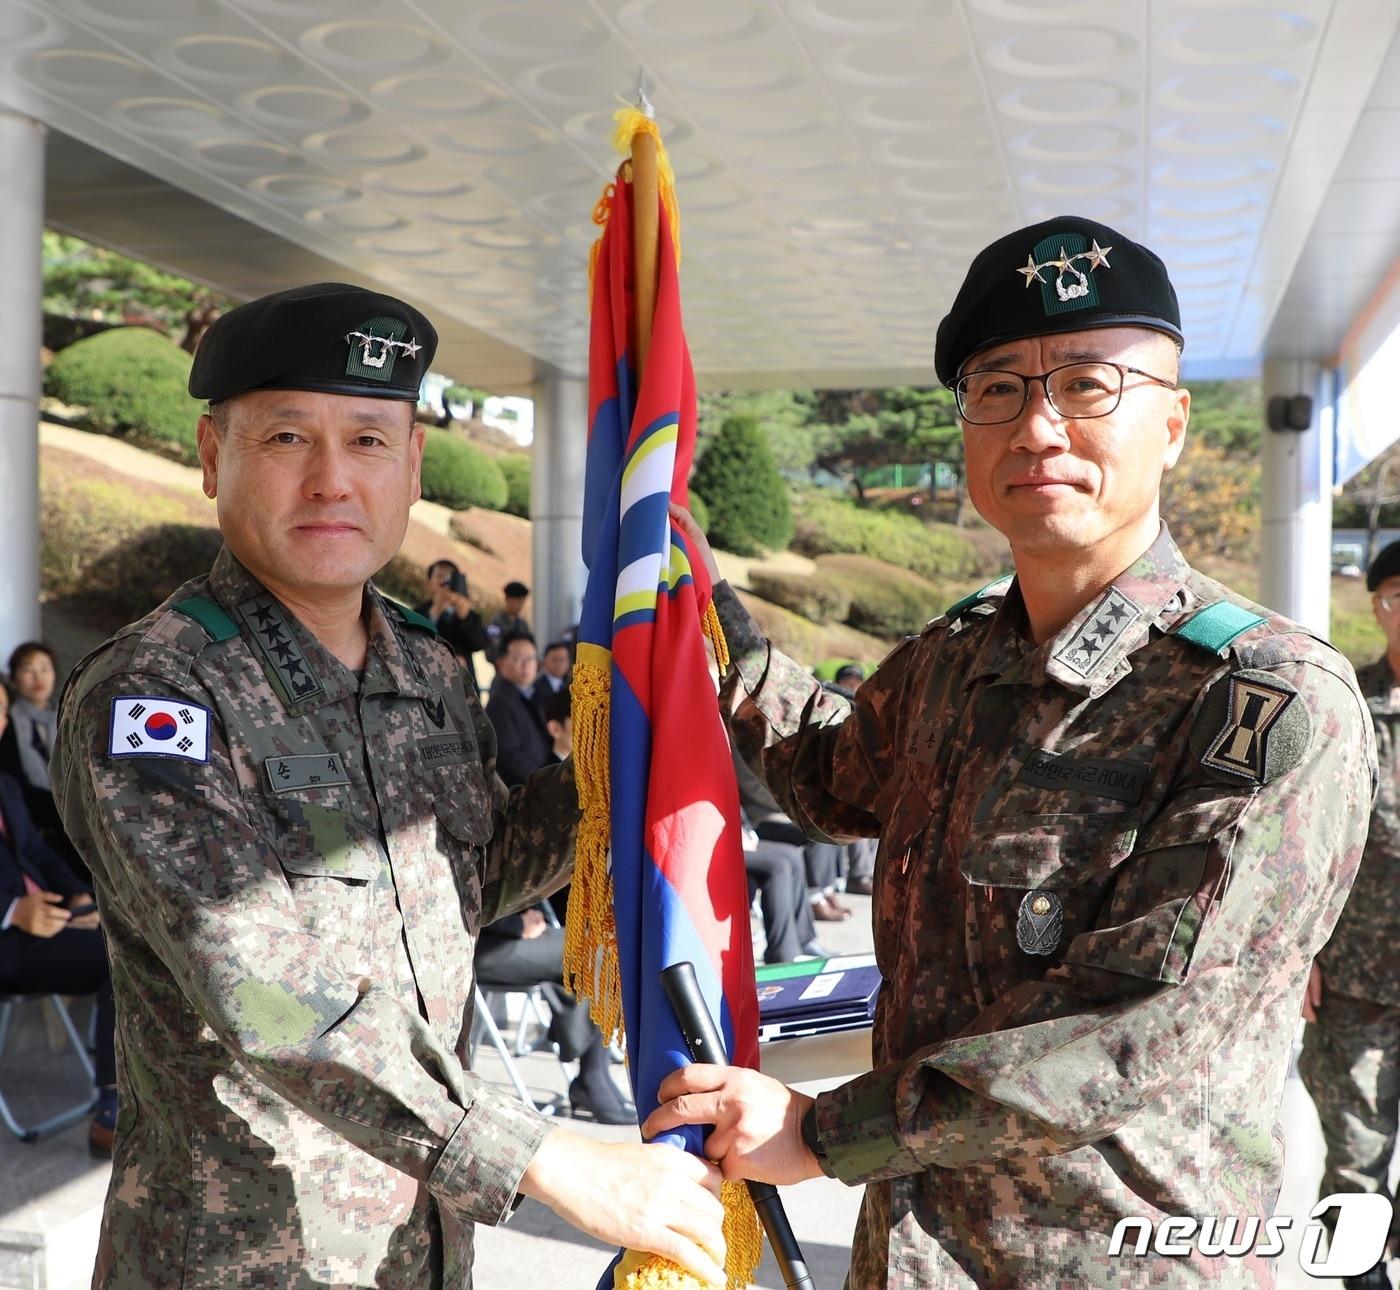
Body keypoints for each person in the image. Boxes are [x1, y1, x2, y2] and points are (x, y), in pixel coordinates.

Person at [647, 217, 1375, 1288]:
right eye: (996, 389)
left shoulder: (1259, 699)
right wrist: (700, 622)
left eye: (1085, 385)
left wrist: (821, 1132)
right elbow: (830, 773)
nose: (1035, 429)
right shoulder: (951, 664)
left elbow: (1132, 1030)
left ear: (1171, 422)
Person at [51, 282, 726, 1289]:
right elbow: (263, 991)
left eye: (367, 440)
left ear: (411, 464)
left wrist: (626, 731)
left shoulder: (428, 670)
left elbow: (469, 881)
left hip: (420, 1249)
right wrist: (540, 1157)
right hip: (239, 1259)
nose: (330, 479)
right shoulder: (156, 693)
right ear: (209, 458)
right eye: (286, 438)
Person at [1298, 539, 1400, 1288]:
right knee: (1353, 1166)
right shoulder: (1344, 704)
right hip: (1356, 981)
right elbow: (1301, 842)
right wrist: (1299, 952)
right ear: (1378, 606)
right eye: (1398, 596)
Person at [0, 684, 117, 1155]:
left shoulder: (4, 785)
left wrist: (78, 898)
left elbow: (34, 852)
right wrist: (11, 911)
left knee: (130, 946)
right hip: (10, 939)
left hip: (42, 925)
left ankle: (131, 1096)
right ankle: (113, 1107)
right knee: (119, 960)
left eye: (2, 712)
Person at [485, 633, 553, 789]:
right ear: (501, 663)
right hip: (522, 790)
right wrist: (545, 781)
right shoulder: (500, 702)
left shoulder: (531, 694)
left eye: (531, 658)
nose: (526, 665)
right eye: (517, 658)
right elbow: (509, 756)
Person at [415, 559, 489, 689]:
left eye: (450, 577)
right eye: (439, 577)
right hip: (431, 683)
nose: (445, 582)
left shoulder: (467, 613)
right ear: (429, 582)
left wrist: (465, 616)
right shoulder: (419, 612)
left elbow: (479, 644)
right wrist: (435, 613)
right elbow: (415, 641)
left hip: (463, 686)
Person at [485, 581, 530, 663]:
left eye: (522, 601)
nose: (521, 605)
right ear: (507, 599)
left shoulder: (522, 624)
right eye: (518, 601)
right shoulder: (496, 622)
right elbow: (492, 648)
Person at [532, 640, 572, 718]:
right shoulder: (535, 687)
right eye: (554, 659)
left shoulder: (571, 685)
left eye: (562, 660)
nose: (559, 664)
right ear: (544, 661)